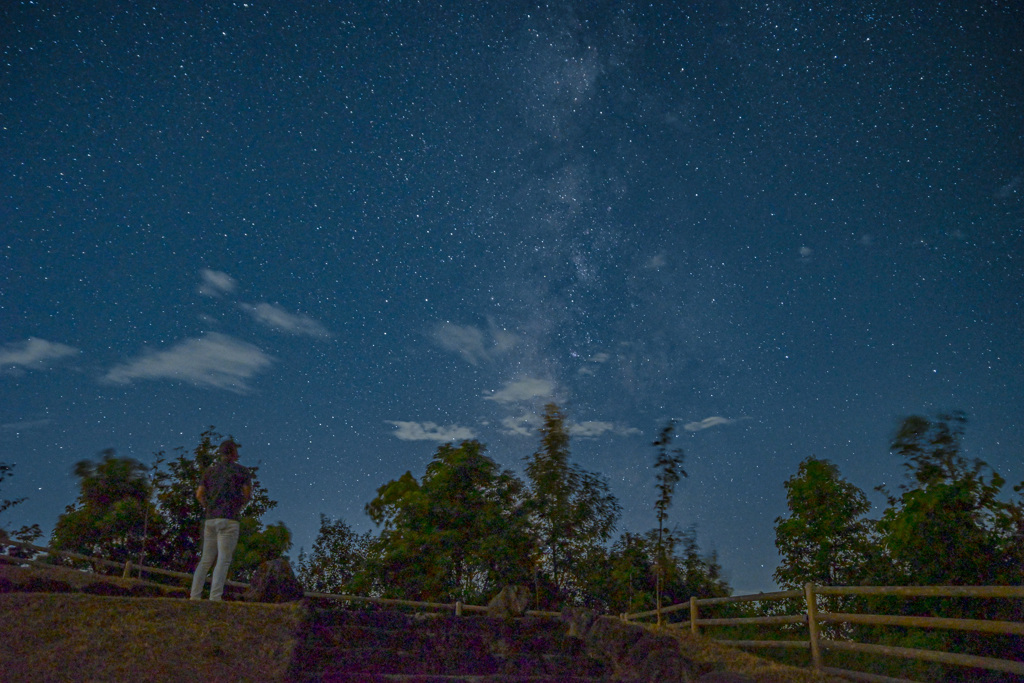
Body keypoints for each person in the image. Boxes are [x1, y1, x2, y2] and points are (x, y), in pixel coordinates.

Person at [190, 438, 252, 600]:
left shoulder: (209, 471)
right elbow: (247, 494)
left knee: (205, 560)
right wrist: (239, 506)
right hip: (229, 518)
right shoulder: (242, 471)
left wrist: (207, 507)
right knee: (223, 560)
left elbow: (199, 494)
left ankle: (194, 596)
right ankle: (214, 597)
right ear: (232, 453)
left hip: (211, 518)